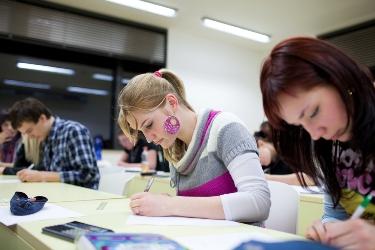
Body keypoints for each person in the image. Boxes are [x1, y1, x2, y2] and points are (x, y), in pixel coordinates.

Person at [260, 37, 375, 249]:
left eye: (313, 112)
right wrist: (327, 231)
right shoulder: (332, 143)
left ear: (338, 78)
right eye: (301, 125)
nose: (315, 134)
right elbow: (335, 213)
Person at [117, 69, 270, 224]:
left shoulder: (226, 128)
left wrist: (170, 204)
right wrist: (167, 203)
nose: (149, 139)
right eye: (142, 132)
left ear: (171, 103)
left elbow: (259, 202)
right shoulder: (174, 149)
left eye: (149, 124)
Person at [8, 97, 100, 189]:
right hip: (58, 195)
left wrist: (42, 176)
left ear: (42, 118)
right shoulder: (45, 137)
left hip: (82, 198)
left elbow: (87, 175)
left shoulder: (73, 131)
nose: (29, 137)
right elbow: (48, 171)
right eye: (24, 133)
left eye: (29, 130)